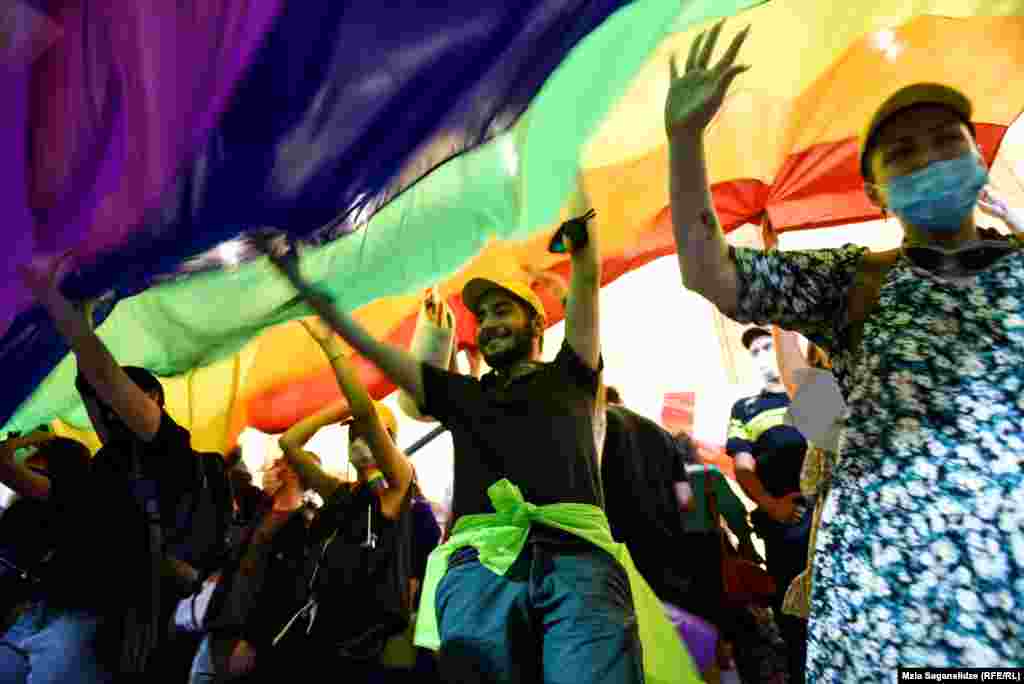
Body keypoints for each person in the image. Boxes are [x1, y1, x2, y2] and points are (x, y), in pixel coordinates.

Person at [665, 18, 1024, 678]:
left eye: (949, 141)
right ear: (874, 191)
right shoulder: (853, 282)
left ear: (978, 158)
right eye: (904, 154)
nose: (932, 159)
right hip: (891, 593)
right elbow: (709, 270)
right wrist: (685, 144)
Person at [259, 203, 695, 683]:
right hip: (480, 567)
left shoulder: (572, 372)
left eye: (501, 310)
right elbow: (376, 352)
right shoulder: (461, 394)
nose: (487, 323)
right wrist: (306, 290)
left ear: (535, 324)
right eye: (482, 316)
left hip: (577, 560)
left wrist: (580, 236)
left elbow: (586, 276)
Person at [12, 255, 231, 682]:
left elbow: (104, 378)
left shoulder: (171, 449)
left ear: (155, 402)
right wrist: (83, 315)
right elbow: (93, 385)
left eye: (132, 395)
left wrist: (57, 304)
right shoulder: (110, 463)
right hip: (52, 613)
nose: (114, 406)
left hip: (102, 629)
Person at [724, 327, 810, 682]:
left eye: (767, 346)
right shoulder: (745, 408)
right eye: (755, 350)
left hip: (833, 518)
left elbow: (840, 439)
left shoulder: (812, 391)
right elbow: (743, 468)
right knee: (794, 616)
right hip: (785, 525)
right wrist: (771, 505)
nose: (763, 354)